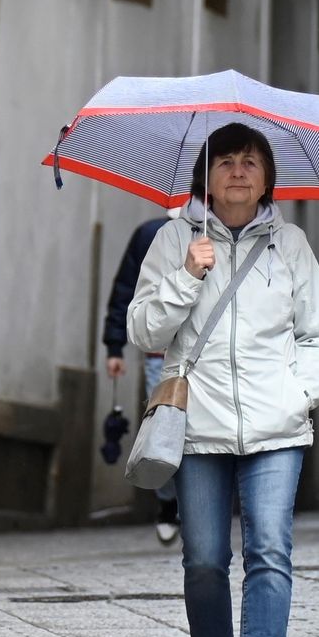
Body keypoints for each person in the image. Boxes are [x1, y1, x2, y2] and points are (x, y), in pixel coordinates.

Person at [128, 123, 319, 637]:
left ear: (268, 177)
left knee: (270, 552)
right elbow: (143, 330)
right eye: (226, 161)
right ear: (206, 175)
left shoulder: (292, 246)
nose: (239, 172)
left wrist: (301, 395)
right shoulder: (174, 242)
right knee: (203, 559)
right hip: (198, 427)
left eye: (251, 162)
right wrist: (188, 277)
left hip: (277, 429)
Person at [103, 214, 180, 544]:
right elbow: (125, 289)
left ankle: (197, 506)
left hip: (210, 356)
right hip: (159, 356)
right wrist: (114, 346)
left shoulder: (222, 230)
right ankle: (168, 503)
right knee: (162, 432)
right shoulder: (150, 233)